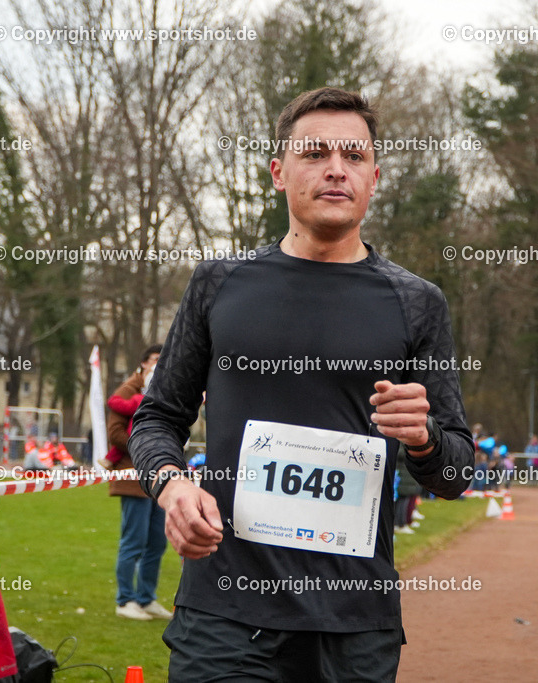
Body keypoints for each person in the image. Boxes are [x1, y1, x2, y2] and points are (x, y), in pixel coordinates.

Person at [129, 87, 473, 680]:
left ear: (375, 176)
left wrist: (423, 437)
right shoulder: (219, 284)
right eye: (314, 153)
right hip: (225, 613)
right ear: (278, 173)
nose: (336, 169)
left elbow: (456, 473)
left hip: (353, 623)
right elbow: (157, 417)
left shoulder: (417, 303)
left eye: (354, 156)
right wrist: (171, 485)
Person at [109, 344, 171, 621]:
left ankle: (146, 599)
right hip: (132, 477)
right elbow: (114, 433)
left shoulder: (164, 388)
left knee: (157, 542)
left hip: (159, 478)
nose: (159, 365)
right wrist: (147, 447)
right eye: (155, 360)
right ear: (144, 363)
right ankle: (125, 600)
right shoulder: (128, 390)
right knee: (133, 542)